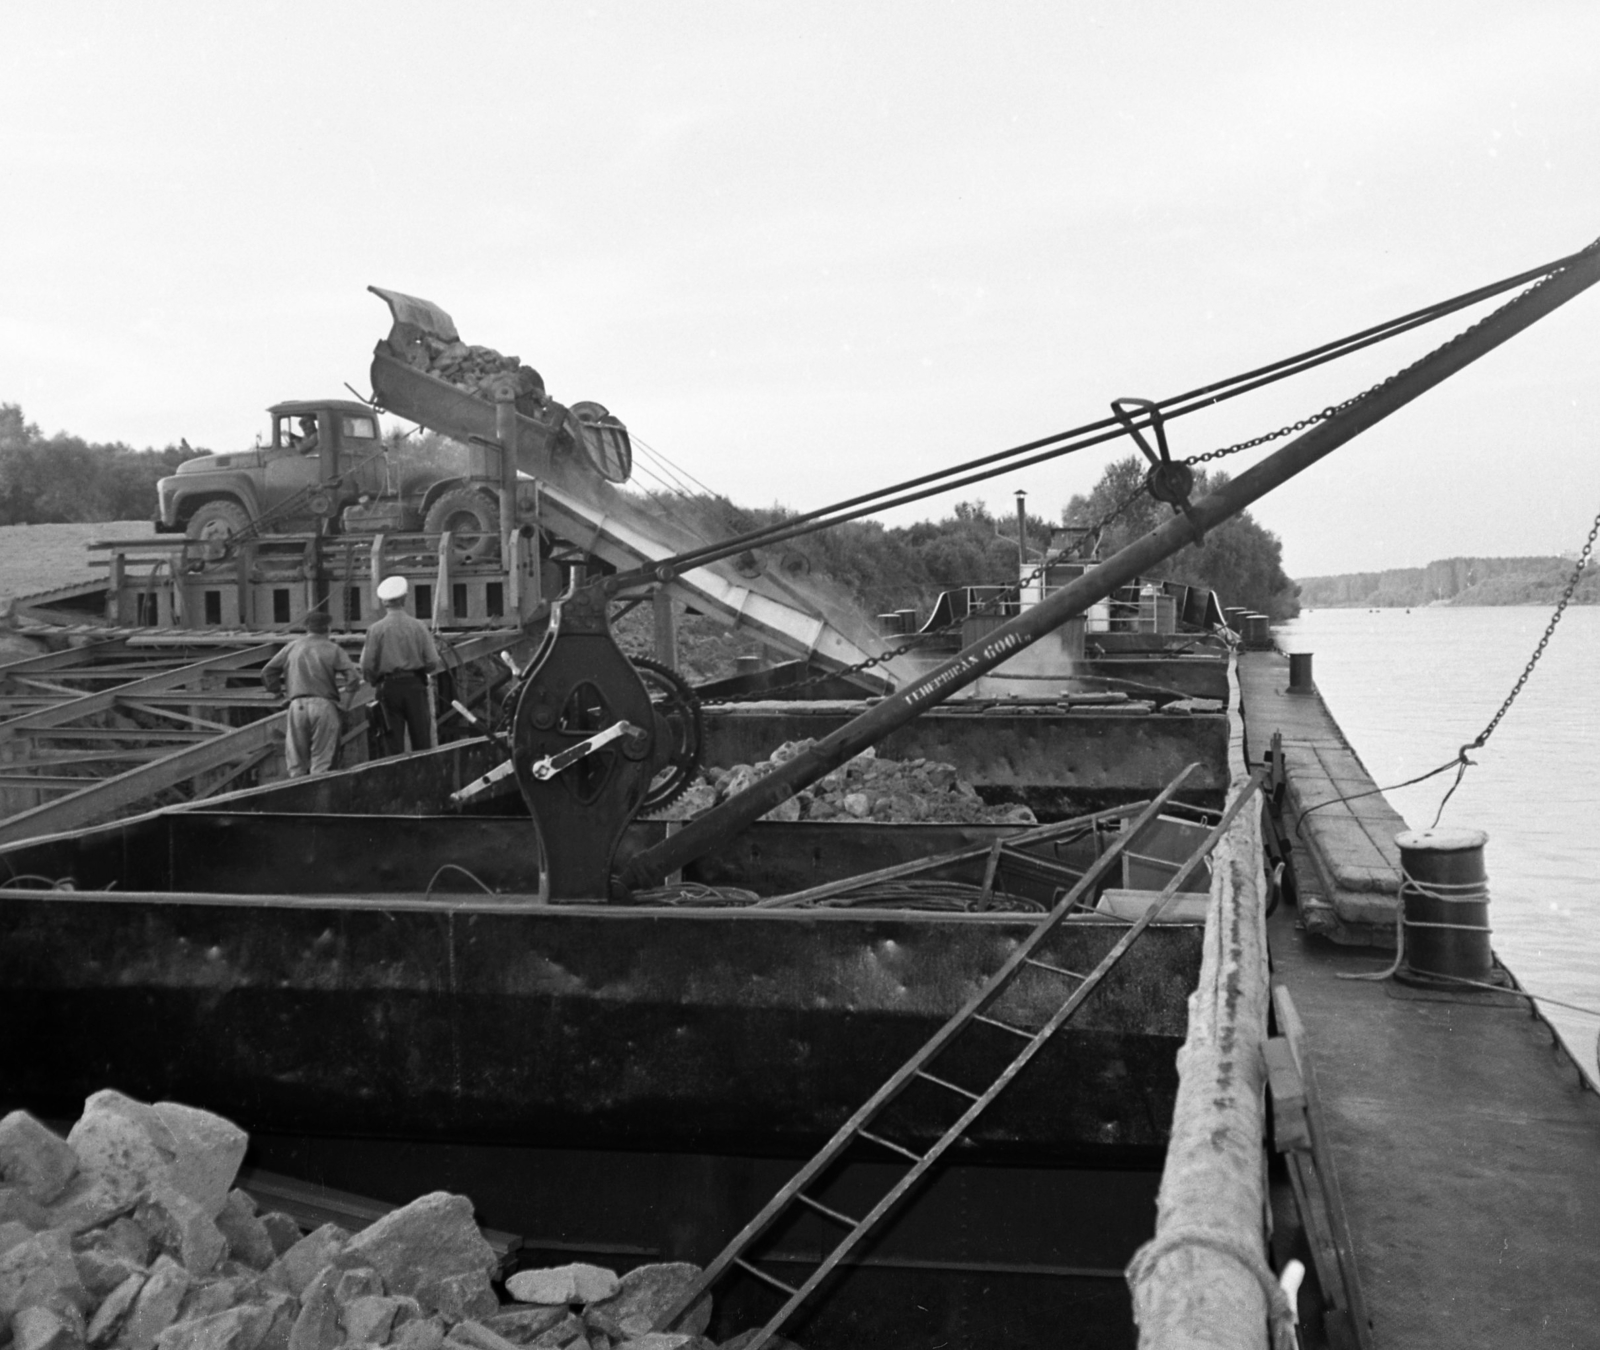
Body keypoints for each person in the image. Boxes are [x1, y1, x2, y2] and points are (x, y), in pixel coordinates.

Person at [261, 609, 360, 777]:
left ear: (307, 628)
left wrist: (279, 695)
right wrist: (345, 704)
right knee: (322, 763)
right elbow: (353, 678)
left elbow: (267, 671)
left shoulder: (292, 646)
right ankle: (321, 798)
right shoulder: (333, 649)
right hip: (324, 705)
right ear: (328, 628)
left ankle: (298, 797)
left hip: (297, 706)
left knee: (296, 764)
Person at [361, 575, 443, 757]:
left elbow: (367, 665)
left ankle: (394, 780)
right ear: (405, 598)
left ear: (384, 603)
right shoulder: (419, 626)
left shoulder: (375, 630)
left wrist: (375, 680)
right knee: (422, 741)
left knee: (391, 743)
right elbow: (432, 661)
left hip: (388, 687)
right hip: (415, 685)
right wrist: (420, 671)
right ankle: (424, 779)